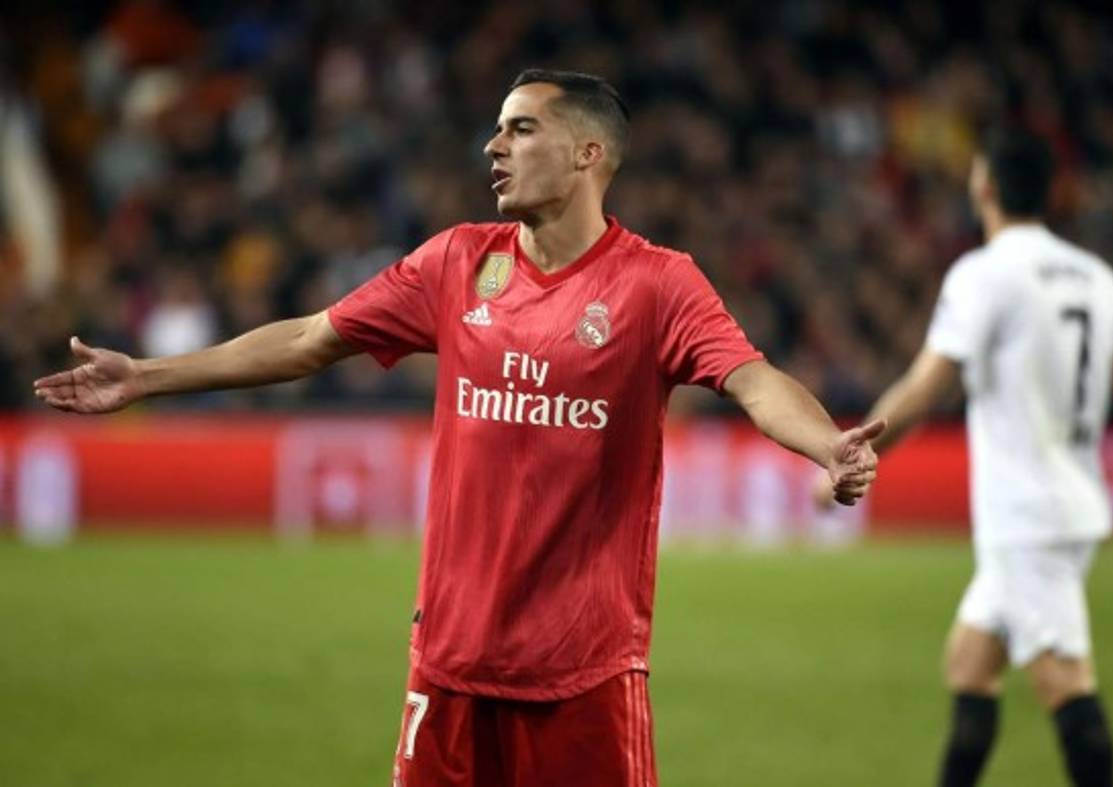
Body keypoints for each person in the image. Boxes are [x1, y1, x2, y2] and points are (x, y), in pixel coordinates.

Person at [36, 69, 884, 787]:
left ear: (589, 154)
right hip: (446, 668)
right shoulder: (454, 263)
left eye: (521, 129)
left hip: (585, 677)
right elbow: (307, 339)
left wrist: (827, 443)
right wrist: (147, 376)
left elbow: (752, 379)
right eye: (495, 130)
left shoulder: (657, 284)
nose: (495, 146)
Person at [817, 128, 1113, 787]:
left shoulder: (984, 273)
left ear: (985, 186)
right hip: (1062, 504)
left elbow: (922, 389)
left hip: (1029, 518)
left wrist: (848, 456)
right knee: (970, 665)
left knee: (1066, 686)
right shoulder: (1096, 276)